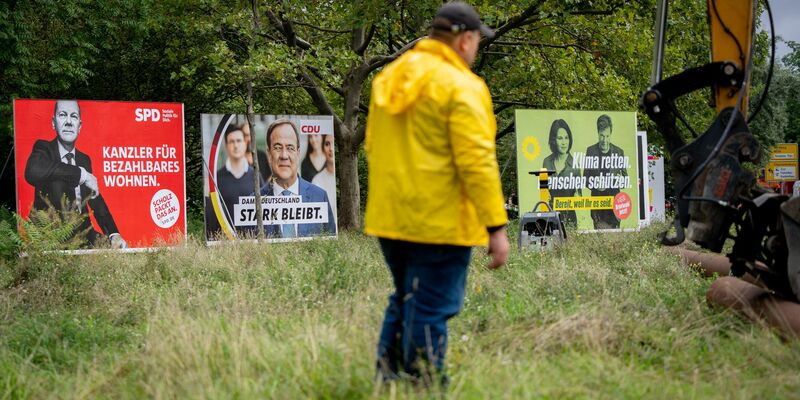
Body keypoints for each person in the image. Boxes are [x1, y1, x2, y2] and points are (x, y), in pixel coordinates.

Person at [364, 1, 509, 385]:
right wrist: (496, 226)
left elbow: (373, 147)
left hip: (391, 219)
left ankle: (388, 381)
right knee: (430, 307)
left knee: (405, 299)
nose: (477, 49)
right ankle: (427, 385)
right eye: (478, 40)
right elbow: (477, 162)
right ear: (464, 40)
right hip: (440, 222)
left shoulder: (389, 78)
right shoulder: (462, 86)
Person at [24, 100, 126, 248]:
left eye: (74, 117)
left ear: (79, 126)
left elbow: (95, 199)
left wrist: (113, 233)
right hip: (50, 237)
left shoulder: (84, 159)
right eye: (63, 115)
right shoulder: (44, 149)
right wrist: (81, 175)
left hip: (84, 235)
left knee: (118, 251)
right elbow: (32, 171)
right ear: (54, 123)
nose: (68, 122)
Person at [258, 118, 336, 237]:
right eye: (278, 147)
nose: (284, 155)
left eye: (290, 148)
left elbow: (331, 246)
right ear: (269, 154)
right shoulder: (253, 202)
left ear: (298, 153)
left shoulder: (320, 197)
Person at [215, 124, 264, 236]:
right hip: (226, 242)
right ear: (226, 146)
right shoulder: (217, 178)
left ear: (245, 143)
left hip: (254, 241)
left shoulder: (256, 175)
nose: (235, 145)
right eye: (231, 142)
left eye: (239, 140)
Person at [583, 114, 626, 229]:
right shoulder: (590, 151)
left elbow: (625, 178)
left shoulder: (619, 152)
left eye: (607, 136)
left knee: (615, 239)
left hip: (614, 203)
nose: (604, 140)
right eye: (601, 136)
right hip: (598, 203)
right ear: (598, 133)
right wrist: (595, 185)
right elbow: (585, 179)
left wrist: (616, 181)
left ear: (611, 134)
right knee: (599, 238)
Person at [542, 119, 581, 227]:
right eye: (560, 138)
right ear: (553, 140)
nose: (564, 142)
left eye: (566, 138)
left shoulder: (575, 164)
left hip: (569, 218)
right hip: (550, 215)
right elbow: (543, 190)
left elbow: (579, 195)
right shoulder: (546, 162)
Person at [311, 134, 337, 223]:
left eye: (333, 144)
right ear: (323, 149)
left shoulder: (347, 177)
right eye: (327, 144)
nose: (331, 149)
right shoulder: (317, 180)